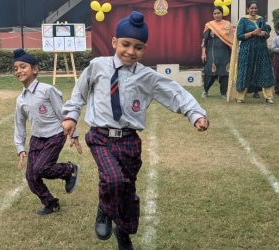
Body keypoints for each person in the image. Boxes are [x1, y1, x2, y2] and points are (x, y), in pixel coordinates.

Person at [62, 11, 209, 250]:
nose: (131, 51)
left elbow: (173, 91)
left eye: (138, 47)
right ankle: (104, 209)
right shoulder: (97, 66)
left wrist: (195, 114)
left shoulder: (146, 76)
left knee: (127, 191)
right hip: (100, 137)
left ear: (144, 49)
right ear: (114, 42)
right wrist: (71, 116)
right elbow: (79, 92)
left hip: (129, 141)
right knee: (113, 180)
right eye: (126, 44)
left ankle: (124, 233)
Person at [12, 48, 82, 216]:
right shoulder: (20, 99)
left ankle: (69, 169)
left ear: (34, 69)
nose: (19, 71)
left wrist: (74, 134)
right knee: (31, 177)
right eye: (16, 68)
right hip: (37, 138)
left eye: (23, 66)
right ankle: (51, 203)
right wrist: (20, 148)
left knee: (42, 168)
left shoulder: (47, 90)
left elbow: (64, 113)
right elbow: (19, 124)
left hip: (56, 134)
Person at [227, 0, 275, 104]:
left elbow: (267, 34)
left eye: (255, 8)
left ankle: (269, 97)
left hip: (261, 50)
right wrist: (253, 33)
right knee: (244, 72)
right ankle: (240, 97)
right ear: (247, 9)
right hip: (246, 50)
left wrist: (263, 33)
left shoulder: (261, 19)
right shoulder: (243, 20)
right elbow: (239, 36)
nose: (254, 10)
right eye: (251, 8)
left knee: (264, 71)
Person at [201, 6, 233, 99]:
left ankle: (223, 93)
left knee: (225, 73)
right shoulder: (209, 25)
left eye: (218, 13)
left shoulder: (227, 25)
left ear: (222, 13)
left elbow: (231, 40)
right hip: (212, 53)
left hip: (225, 53)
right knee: (210, 73)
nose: (216, 15)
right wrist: (203, 53)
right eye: (214, 13)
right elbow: (204, 41)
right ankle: (205, 91)